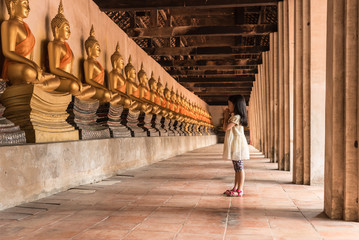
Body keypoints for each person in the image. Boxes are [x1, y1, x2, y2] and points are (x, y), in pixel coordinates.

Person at [222, 95, 250, 197]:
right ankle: (235, 187)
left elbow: (226, 128)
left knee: (240, 168)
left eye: (229, 104)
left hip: (238, 146)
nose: (228, 106)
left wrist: (225, 117)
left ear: (236, 105)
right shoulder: (234, 116)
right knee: (237, 169)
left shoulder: (236, 117)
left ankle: (240, 189)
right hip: (235, 145)